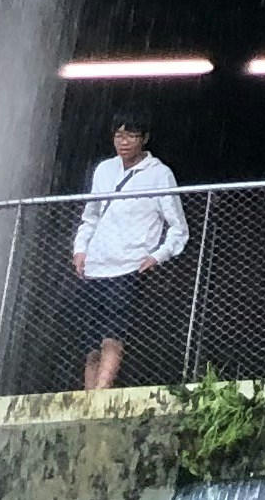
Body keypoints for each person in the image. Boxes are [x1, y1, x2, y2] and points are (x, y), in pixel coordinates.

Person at [72, 111, 186, 391]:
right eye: (119, 135)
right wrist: (80, 249)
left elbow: (178, 227)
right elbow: (92, 215)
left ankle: (101, 395)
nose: (123, 142)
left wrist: (157, 256)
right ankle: (88, 399)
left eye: (131, 135)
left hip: (128, 266)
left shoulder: (159, 174)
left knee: (113, 335)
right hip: (95, 264)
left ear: (144, 139)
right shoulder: (104, 170)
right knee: (90, 342)